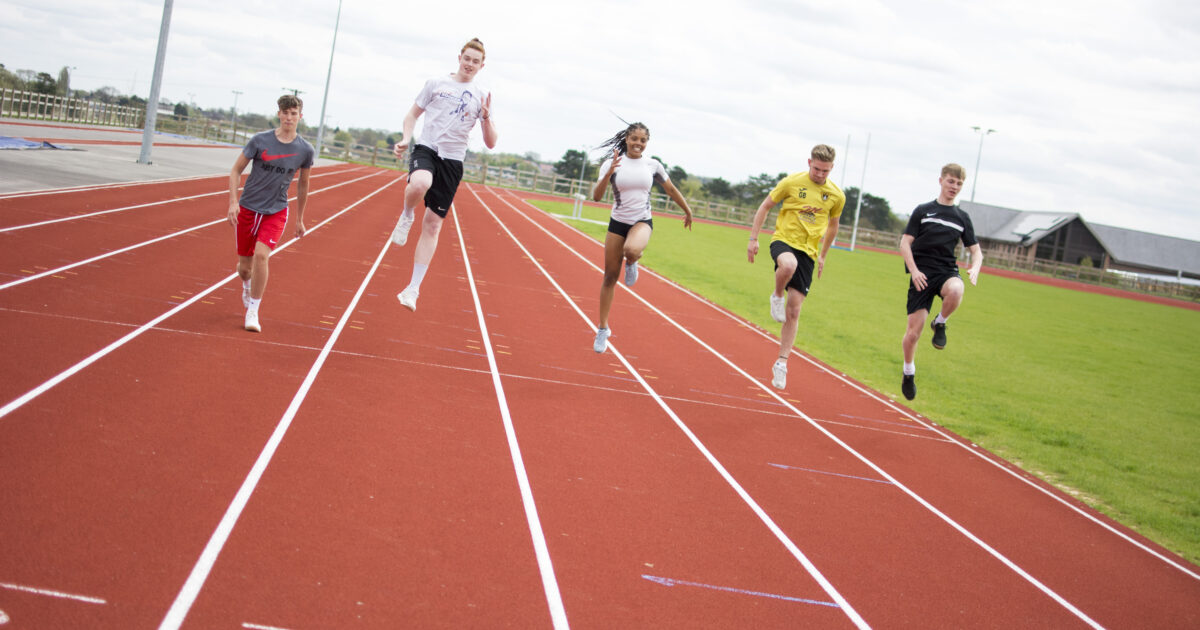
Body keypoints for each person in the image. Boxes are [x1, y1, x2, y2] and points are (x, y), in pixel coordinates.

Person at [390, 37, 498, 311]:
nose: (470, 64)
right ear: (459, 58)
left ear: (481, 65)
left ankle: (413, 289)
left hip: (453, 161)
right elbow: (411, 115)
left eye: (476, 61)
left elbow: (491, 142)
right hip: (428, 148)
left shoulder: (482, 95)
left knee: (433, 225)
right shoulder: (436, 84)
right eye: (467, 58)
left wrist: (486, 117)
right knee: (420, 183)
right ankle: (406, 215)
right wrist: (405, 138)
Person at [747, 144, 845, 390]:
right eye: (817, 169)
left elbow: (833, 226)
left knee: (794, 311)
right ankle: (776, 295)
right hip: (784, 241)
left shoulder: (836, 195)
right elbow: (765, 206)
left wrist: (823, 255)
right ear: (809, 162)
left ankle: (781, 362)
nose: (820, 175)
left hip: (809, 252)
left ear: (832, 168)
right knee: (787, 265)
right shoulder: (792, 182)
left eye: (825, 171)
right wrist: (753, 238)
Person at [591, 122, 693, 353]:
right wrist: (608, 173)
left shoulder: (653, 165)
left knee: (632, 250)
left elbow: (671, 189)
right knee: (609, 277)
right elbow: (597, 196)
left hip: (642, 221)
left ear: (647, 142)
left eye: (643, 140)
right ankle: (603, 329)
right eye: (634, 138)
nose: (638, 143)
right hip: (617, 223)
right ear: (627, 139)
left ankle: (633, 262)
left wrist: (687, 210)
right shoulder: (612, 163)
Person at [227, 94, 314, 332]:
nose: (288, 117)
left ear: (300, 117)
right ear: (279, 114)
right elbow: (235, 171)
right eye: (285, 113)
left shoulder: (305, 150)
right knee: (245, 268)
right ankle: (247, 285)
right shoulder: (259, 141)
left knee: (261, 256)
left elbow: (303, 184)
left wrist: (300, 219)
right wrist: (233, 202)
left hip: (276, 210)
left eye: (293, 113)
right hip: (248, 208)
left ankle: (253, 310)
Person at [898, 163, 983, 400]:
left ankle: (941, 322)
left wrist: (975, 268)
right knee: (913, 334)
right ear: (941, 181)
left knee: (957, 290)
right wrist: (914, 271)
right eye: (951, 181)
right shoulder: (923, 211)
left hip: (946, 271)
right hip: (922, 275)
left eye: (959, 183)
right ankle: (908, 371)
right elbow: (905, 243)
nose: (954, 187)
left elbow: (977, 251)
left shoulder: (961, 217)